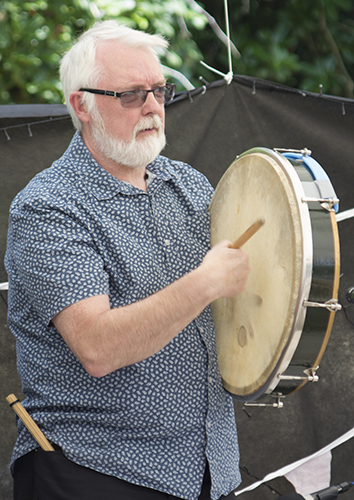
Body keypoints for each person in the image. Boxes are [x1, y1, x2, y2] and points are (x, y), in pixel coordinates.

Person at [5, 20, 250, 500]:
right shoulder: (48, 208)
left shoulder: (188, 185)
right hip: (95, 472)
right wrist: (204, 283)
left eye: (159, 91)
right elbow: (98, 348)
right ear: (83, 105)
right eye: (133, 95)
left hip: (208, 469)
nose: (155, 107)